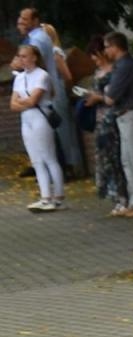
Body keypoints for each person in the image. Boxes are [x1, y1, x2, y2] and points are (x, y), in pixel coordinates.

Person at [96, 32, 133, 217]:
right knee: (128, 160)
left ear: (115, 47)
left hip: (132, 113)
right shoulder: (122, 66)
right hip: (125, 115)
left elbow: (111, 97)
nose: (106, 51)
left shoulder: (125, 67)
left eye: (107, 47)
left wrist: (101, 96)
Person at [10, 44, 63, 212]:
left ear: (34, 57)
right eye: (20, 56)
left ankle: (59, 196)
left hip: (40, 117)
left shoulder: (42, 76)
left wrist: (22, 101)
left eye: (25, 56)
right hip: (26, 119)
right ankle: (45, 196)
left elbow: (34, 100)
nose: (22, 59)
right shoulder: (19, 78)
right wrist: (23, 102)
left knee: (49, 157)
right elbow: (13, 104)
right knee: (36, 160)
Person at [86, 37, 128, 215]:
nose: (94, 59)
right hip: (100, 118)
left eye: (95, 54)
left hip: (111, 117)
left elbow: (112, 95)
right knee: (105, 158)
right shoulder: (98, 72)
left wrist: (98, 97)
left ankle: (123, 196)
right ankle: (115, 196)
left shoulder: (114, 70)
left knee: (115, 157)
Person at [39, 23, 84, 179]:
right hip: (47, 92)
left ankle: (72, 163)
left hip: (56, 92)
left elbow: (67, 75)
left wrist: (63, 87)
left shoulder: (54, 52)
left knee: (63, 127)